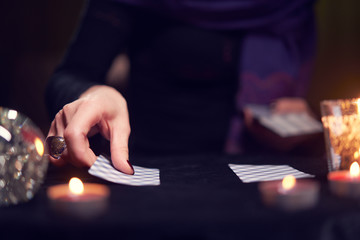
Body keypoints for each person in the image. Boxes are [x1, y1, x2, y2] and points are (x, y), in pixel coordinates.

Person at [45, 0, 318, 175]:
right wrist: (95, 95)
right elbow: (69, 75)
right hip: (156, 176)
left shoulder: (289, 7)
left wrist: (296, 126)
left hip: (263, 179)